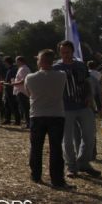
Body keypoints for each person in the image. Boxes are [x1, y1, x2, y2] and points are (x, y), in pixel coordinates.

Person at [54, 40, 102, 178]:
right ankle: (71, 166)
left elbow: (88, 83)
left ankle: (83, 163)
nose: (65, 55)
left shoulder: (81, 65)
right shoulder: (56, 68)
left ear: (73, 51)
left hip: (84, 106)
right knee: (67, 140)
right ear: (60, 53)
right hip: (65, 108)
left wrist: (89, 96)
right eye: (63, 52)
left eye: (68, 52)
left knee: (89, 137)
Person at [25, 49, 69, 188]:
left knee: (36, 147)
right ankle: (57, 179)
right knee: (56, 149)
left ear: (41, 61)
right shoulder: (62, 75)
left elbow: (29, 93)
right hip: (56, 115)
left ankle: (36, 175)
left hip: (37, 115)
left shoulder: (30, 77)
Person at [12, 56, 31, 128]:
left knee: (25, 108)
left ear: (20, 61)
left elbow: (24, 80)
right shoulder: (22, 68)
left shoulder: (24, 69)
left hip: (22, 91)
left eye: (16, 61)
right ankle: (28, 123)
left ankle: (28, 123)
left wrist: (14, 83)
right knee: (24, 108)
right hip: (21, 91)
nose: (16, 63)